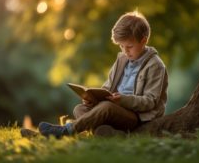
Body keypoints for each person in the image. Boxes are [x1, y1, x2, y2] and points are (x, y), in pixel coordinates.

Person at [21, 11, 168, 138]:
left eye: (129, 46)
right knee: (80, 109)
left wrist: (123, 100)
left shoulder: (155, 65)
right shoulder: (122, 59)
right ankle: (109, 133)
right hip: (113, 108)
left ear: (143, 41)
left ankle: (65, 131)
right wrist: (93, 98)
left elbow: (150, 101)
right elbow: (108, 87)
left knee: (106, 108)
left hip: (136, 116)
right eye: (121, 46)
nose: (125, 51)